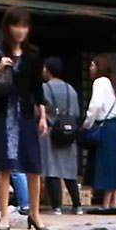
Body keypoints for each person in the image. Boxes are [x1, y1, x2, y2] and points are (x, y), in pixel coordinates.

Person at [0, 7, 48, 230]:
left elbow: (37, 87)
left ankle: (35, 215)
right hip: (2, 111)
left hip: (25, 113)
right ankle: (4, 215)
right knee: (3, 166)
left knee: (33, 166)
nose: (20, 31)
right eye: (16, 25)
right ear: (8, 27)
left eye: (24, 26)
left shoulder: (33, 54)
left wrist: (43, 115)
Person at [83, 57, 116, 213]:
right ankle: (113, 202)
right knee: (115, 165)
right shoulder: (115, 84)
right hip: (115, 127)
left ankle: (105, 204)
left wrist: (87, 124)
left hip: (104, 126)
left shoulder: (100, 82)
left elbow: (95, 105)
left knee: (105, 164)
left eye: (93, 65)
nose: (90, 68)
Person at [40, 56, 83, 214]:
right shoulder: (70, 89)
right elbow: (77, 112)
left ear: (48, 70)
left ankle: (56, 207)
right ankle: (77, 206)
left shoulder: (44, 88)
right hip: (69, 132)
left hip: (52, 131)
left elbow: (39, 110)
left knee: (52, 169)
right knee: (69, 171)